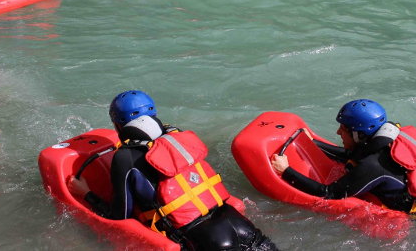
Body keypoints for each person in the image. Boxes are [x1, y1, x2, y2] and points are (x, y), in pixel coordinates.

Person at [67, 90, 277, 250]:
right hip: (240, 224)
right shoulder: (178, 137)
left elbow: (120, 215)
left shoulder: (125, 157)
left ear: (118, 124)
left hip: (207, 241)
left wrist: (86, 194)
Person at [271, 99, 416, 224]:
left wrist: (286, 170)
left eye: (343, 129)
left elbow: (330, 194)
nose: (338, 131)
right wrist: (315, 143)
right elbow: (352, 155)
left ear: (358, 134)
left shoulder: (375, 166)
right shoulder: (389, 138)